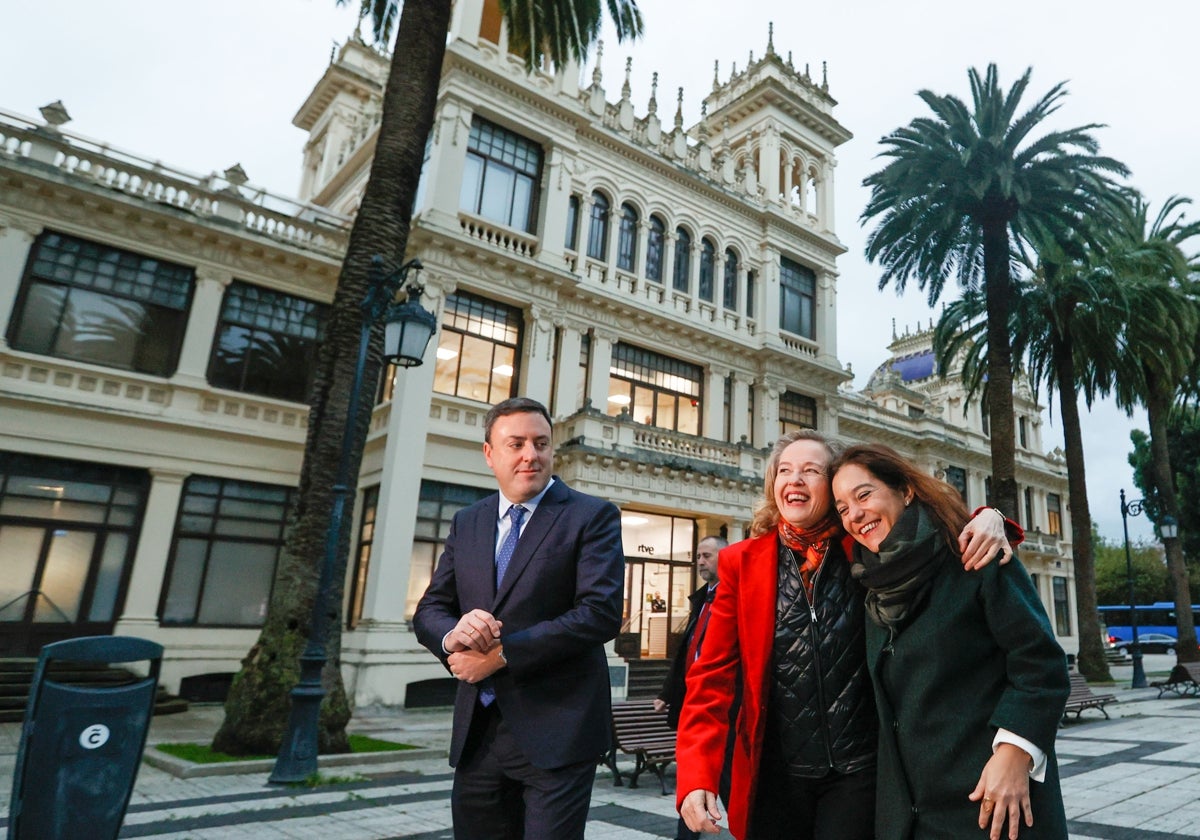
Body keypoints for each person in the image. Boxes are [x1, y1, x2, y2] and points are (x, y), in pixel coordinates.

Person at [677, 429, 1016, 840]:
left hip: (860, 774)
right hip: (775, 777)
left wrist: (987, 518)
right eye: (784, 470)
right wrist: (697, 775)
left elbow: (924, 525)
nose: (794, 479)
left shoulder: (865, 544)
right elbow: (709, 680)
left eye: (810, 471)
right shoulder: (741, 563)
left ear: (833, 484)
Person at [830, 443, 1068, 840]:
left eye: (864, 494)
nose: (854, 514)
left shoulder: (975, 556)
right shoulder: (867, 584)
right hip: (912, 817)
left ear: (905, 491)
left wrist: (1016, 751)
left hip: (992, 804)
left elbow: (1041, 664)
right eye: (841, 508)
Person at [412, 397, 625, 840]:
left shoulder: (591, 516)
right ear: (490, 454)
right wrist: (454, 636)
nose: (531, 454)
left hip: (558, 732)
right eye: (517, 444)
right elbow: (431, 609)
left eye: (541, 443)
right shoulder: (468, 521)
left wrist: (501, 656)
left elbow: (598, 614)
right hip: (479, 735)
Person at [654, 535, 729, 840]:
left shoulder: (732, 597)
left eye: (707, 556)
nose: (700, 561)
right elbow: (687, 652)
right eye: (698, 555)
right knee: (693, 780)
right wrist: (667, 694)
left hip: (725, 706)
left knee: (729, 783)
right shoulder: (702, 600)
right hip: (692, 703)